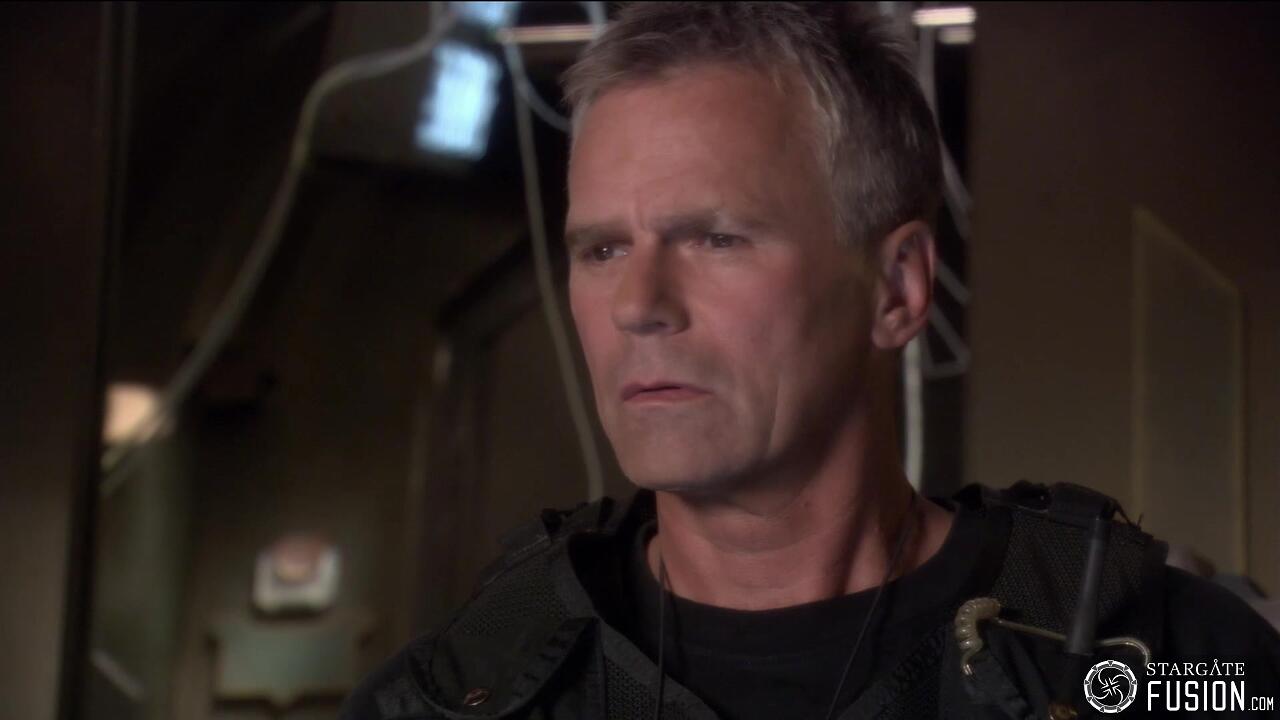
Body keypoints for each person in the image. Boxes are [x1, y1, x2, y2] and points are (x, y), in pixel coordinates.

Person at [341, 3, 1280, 718]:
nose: (637, 305)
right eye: (603, 249)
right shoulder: (452, 694)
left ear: (897, 288)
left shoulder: (1174, 663)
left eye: (715, 238)